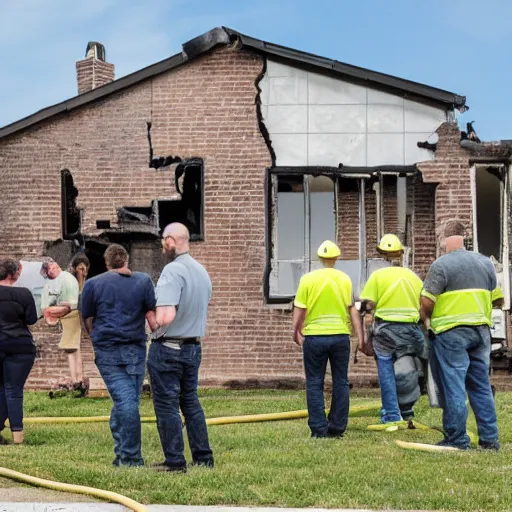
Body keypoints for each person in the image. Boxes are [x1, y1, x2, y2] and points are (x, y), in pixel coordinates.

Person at [420, 220, 500, 450]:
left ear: (445, 239)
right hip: (481, 332)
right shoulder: (486, 263)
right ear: (465, 237)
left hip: (451, 333)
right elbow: (498, 298)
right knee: (481, 385)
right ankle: (489, 440)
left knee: (454, 386)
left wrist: (425, 318)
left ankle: (456, 439)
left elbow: (427, 302)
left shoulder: (441, 265)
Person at [80, 244, 157, 467]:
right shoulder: (143, 281)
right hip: (135, 349)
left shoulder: (93, 284)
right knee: (127, 401)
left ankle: (126, 457)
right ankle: (129, 457)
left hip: (108, 349)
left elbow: (87, 318)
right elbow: (150, 312)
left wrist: (95, 338)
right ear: (126, 260)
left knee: (125, 402)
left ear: (106, 263)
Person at [148, 222, 213, 472]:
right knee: (191, 402)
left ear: (172, 240)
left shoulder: (172, 271)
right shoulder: (201, 271)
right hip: (194, 347)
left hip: (169, 348)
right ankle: (203, 457)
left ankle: (175, 461)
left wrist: (148, 322)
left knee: (166, 404)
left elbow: (165, 317)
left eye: (164, 239)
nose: (162, 245)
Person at [292, 240, 364, 438]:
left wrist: (296, 330)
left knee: (315, 382)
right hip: (340, 335)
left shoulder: (308, 279)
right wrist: (359, 334)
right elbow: (352, 308)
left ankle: (318, 428)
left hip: (315, 336)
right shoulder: (344, 279)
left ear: (319, 257)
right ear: (336, 258)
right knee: (340, 381)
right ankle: (337, 426)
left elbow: (300, 308)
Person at [360, 234, 425, 427]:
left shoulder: (377, 276)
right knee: (411, 368)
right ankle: (407, 410)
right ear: (400, 254)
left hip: (386, 331)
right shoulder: (413, 277)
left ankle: (391, 415)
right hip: (411, 330)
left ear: (381, 254)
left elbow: (369, 307)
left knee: (386, 370)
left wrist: (365, 337)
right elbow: (423, 306)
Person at [0, 259, 37, 445]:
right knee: (13, 389)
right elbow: (31, 319)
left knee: (2, 388)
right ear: (13, 274)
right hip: (20, 345)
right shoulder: (23, 294)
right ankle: (18, 437)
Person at [40, 257, 82, 387]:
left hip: (69, 313)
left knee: (71, 348)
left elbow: (67, 303)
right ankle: (77, 378)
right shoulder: (63, 278)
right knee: (74, 347)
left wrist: (50, 310)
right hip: (71, 312)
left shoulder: (63, 279)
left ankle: (76, 379)